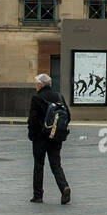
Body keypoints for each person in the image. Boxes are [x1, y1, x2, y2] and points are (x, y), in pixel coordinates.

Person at [26, 73, 71, 204]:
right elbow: (68, 115)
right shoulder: (59, 96)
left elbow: (32, 120)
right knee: (56, 164)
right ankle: (64, 187)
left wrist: (32, 135)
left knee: (39, 165)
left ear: (40, 85)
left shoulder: (37, 98)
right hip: (56, 137)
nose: (36, 86)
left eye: (36, 83)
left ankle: (38, 195)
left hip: (40, 138)